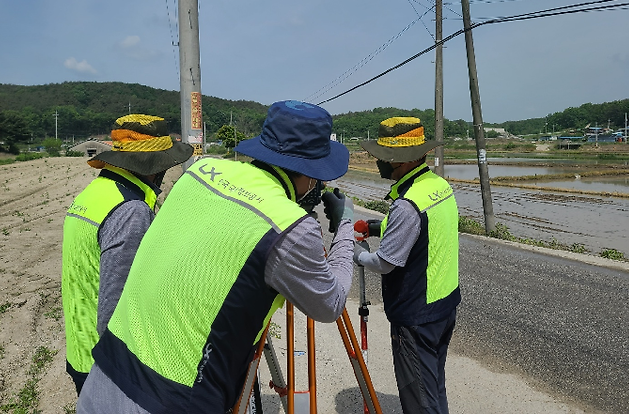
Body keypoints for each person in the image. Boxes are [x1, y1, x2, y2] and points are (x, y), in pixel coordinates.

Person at [77, 100, 355, 414]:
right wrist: (344, 223)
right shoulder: (291, 225)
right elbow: (330, 303)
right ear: (310, 171)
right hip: (172, 401)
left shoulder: (201, 171)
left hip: (105, 377)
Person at [61, 114, 193, 395]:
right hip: (108, 366)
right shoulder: (130, 211)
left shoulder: (95, 193)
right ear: (152, 166)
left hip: (81, 348)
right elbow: (116, 308)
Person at [355, 116, 460, 414]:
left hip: (416, 315)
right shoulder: (437, 185)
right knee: (434, 385)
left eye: (382, 157)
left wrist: (357, 254)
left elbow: (386, 262)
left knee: (419, 400)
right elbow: (420, 227)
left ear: (400, 161)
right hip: (444, 304)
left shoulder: (406, 204)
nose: (378, 163)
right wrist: (375, 226)